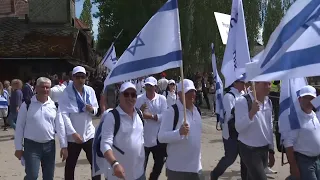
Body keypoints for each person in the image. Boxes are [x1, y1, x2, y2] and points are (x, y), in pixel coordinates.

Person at [14, 77, 68, 180]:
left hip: (49, 146)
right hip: (31, 146)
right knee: (32, 176)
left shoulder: (55, 106)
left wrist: (64, 146)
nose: (45, 90)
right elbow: (19, 126)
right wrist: (18, 148)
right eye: (42, 87)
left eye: (48, 87)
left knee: (48, 176)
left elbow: (60, 127)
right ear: (36, 88)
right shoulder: (27, 104)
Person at [59, 66, 100, 180]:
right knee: (70, 165)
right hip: (73, 136)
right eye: (78, 77)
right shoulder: (66, 92)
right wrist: (73, 133)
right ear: (73, 77)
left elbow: (96, 108)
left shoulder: (90, 90)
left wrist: (91, 109)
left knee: (95, 163)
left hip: (89, 133)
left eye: (83, 77)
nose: (80, 80)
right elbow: (64, 115)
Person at [100, 82, 146, 180]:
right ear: (120, 96)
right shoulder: (112, 117)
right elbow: (104, 144)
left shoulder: (139, 114)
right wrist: (114, 164)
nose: (130, 97)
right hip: (118, 176)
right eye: (126, 94)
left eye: (133, 95)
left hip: (139, 173)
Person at [158, 79, 202, 180]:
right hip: (178, 170)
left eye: (193, 91)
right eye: (187, 92)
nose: (192, 95)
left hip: (196, 168)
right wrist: (179, 133)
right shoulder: (171, 112)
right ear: (179, 94)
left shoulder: (197, 111)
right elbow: (161, 137)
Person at [235, 81, 275, 180]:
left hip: (264, 149)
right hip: (249, 149)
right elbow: (239, 128)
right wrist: (252, 112)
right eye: (265, 84)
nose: (268, 87)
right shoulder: (242, 101)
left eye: (269, 84)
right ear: (255, 84)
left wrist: (271, 150)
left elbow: (269, 127)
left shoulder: (268, 101)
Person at [210, 78, 247, 180]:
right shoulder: (229, 96)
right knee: (230, 158)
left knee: (245, 160)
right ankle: (215, 174)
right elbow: (230, 117)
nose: (244, 84)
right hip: (231, 134)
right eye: (242, 82)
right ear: (235, 83)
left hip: (243, 132)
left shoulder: (244, 94)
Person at [282, 85, 320, 180]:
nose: (308, 101)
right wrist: (293, 166)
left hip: (317, 159)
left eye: (311, 98)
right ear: (299, 99)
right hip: (304, 161)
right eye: (305, 98)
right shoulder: (295, 118)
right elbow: (288, 144)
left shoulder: (314, 115)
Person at [136, 76, 167, 180]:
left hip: (158, 138)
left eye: (151, 86)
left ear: (155, 87)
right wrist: (140, 112)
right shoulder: (139, 99)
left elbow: (165, 116)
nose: (148, 88)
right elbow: (133, 115)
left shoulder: (162, 99)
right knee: (140, 167)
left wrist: (152, 117)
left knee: (159, 164)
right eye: (147, 86)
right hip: (142, 139)